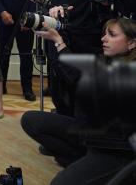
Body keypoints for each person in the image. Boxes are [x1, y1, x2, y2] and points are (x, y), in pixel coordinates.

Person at [21, 17, 136, 185]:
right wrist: (58, 39)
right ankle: (80, 163)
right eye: (104, 34)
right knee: (32, 120)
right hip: (90, 138)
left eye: (111, 35)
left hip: (114, 151)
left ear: (132, 43)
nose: (104, 39)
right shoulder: (105, 60)